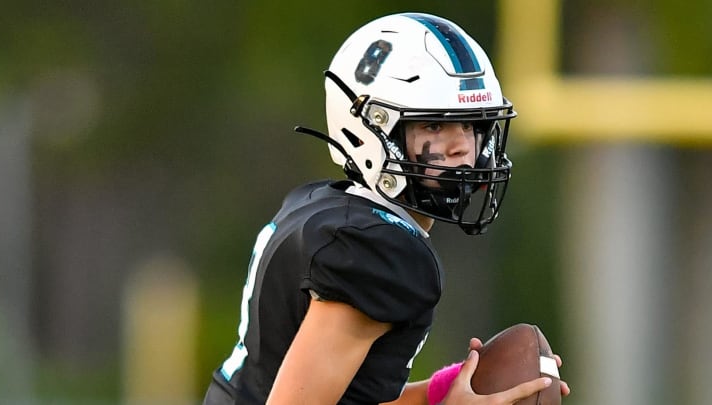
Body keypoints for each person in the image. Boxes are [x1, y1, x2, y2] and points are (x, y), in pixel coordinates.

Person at [202, 12, 570, 405]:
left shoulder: (324, 206)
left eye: (471, 125)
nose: (463, 146)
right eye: (433, 126)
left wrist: (444, 392)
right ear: (371, 128)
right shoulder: (381, 251)